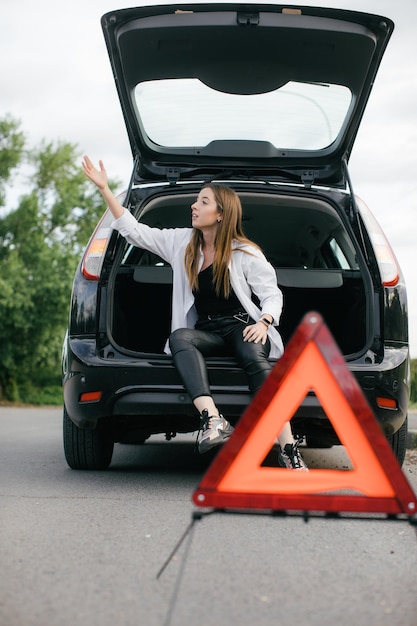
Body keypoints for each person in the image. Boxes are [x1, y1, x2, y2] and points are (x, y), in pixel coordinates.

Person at [81, 155, 308, 470]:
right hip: (209, 330)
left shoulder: (245, 251)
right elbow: (134, 231)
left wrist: (265, 322)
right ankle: (213, 419)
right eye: (196, 201)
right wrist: (106, 189)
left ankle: (288, 450)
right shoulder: (182, 242)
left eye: (203, 202)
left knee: (257, 363)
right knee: (179, 338)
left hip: (244, 327)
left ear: (220, 214)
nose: (194, 206)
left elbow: (271, 293)